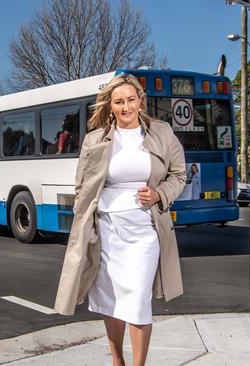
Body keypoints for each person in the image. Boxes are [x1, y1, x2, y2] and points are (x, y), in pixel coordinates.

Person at [54, 73, 186, 366]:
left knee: (138, 298)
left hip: (144, 231)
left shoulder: (162, 133)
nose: (125, 107)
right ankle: (118, 361)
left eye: (130, 100)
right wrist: (84, 217)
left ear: (141, 101)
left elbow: (178, 175)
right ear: (110, 106)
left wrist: (159, 194)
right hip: (106, 231)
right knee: (110, 298)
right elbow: (82, 185)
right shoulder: (96, 139)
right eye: (118, 102)